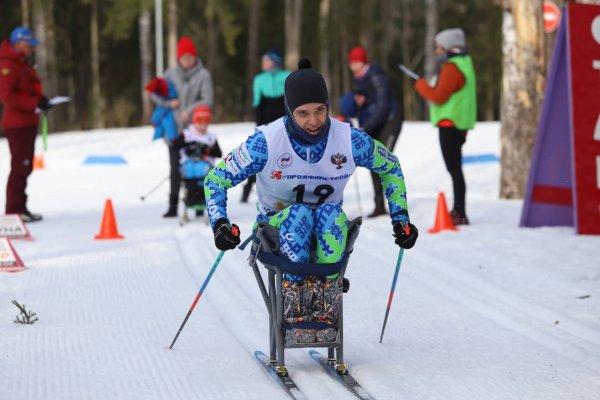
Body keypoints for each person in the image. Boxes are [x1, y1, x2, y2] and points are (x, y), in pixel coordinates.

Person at [204, 58, 418, 343]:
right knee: (300, 214)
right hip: (275, 232)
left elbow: (389, 166)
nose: (314, 121)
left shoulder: (349, 139)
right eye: (303, 113)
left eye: (320, 110)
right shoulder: (266, 142)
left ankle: (325, 307)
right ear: (289, 112)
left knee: (329, 214)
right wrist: (220, 223)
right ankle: (295, 309)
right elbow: (216, 178)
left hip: (326, 229)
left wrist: (401, 219)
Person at [414, 28, 476, 225]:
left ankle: (459, 212)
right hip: (459, 124)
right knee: (456, 170)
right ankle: (459, 210)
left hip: (450, 125)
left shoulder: (452, 67)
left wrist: (421, 86)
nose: (437, 51)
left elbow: (439, 97)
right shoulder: (466, 64)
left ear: (448, 47)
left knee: (454, 170)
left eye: (439, 47)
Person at [150, 37, 213, 218]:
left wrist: (189, 111)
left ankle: (199, 203)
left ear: (195, 57)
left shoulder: (204, 75)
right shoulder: (169, 74)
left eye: (190, 57)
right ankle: (173, 205)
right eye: (183, 57)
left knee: (198, 166)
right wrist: (170, 103)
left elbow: (207, 100)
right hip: (174, 130)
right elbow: (155, 94)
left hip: (197, 131)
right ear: (178, 58)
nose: (187, 60)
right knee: (174, 168)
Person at [0, 27, 51, 222]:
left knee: (25, 166)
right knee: (19, 167)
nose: (31, 49)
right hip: (17, 124)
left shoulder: (23, 64)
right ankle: (13, 213)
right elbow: (6, 95)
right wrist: (33, 104)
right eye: (29, 45)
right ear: (19, 43)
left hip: (28, 122)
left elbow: (28, 89)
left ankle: (21, 208)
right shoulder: (8, 65)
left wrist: (42, 100)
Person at [347, 46, 404, 218]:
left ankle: (397, 204)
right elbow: (368, 104)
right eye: (351, 62)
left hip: (389, 122)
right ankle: (379, 205)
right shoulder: (360, 79)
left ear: (363, 62)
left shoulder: (376, 76)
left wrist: (366, 127)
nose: (353, 66)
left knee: (385, 162)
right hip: (375, 124)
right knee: (374, 163)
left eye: (356, 62)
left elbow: (382, 106)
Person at [241, 48, 291, 203]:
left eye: (266, 60)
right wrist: (260, 127)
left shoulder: (287, 76)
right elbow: (257, 104)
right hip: (265, 122)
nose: (263, 63)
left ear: (274, 61)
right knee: (259, 155)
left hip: (284, 122)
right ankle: (247, 190)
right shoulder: (259, 79)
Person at [173, 104, 221, 216]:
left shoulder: (210, 137)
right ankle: (190, 196)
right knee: (189, 169)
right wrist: (189, 145)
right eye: (200, 123)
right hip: (189, 163)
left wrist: (206, 149)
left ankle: (201, 196)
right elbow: (175, 145)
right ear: (195, 122)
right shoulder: (187, 134)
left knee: (201, 169)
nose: (203, 127)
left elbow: (218, 153)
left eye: (206, 123)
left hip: (205, 163)